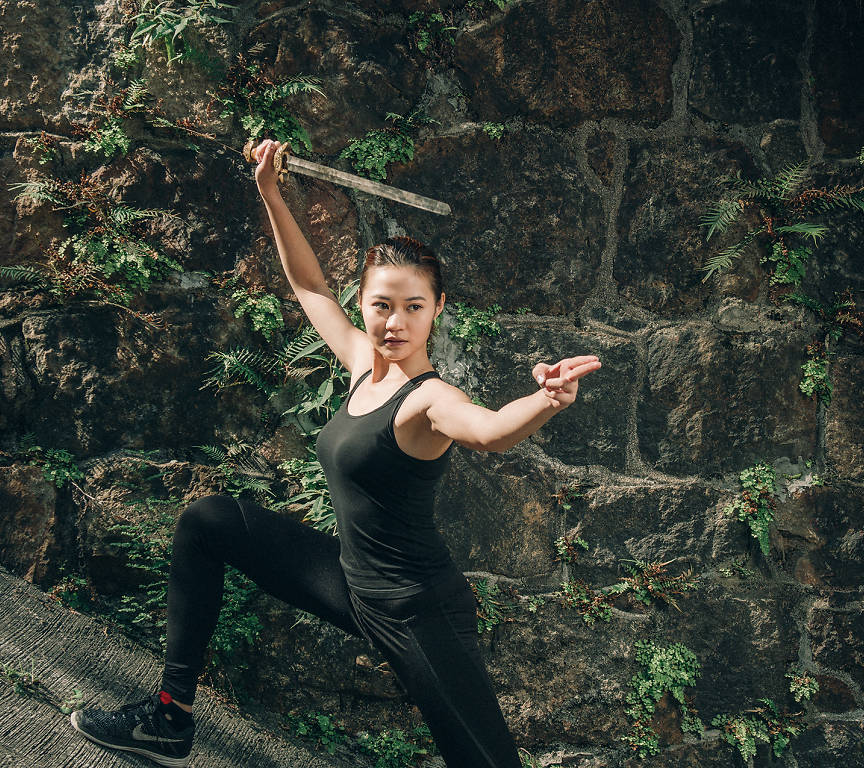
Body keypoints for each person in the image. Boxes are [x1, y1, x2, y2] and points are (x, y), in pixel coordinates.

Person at [69, 138, 602, 768]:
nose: (394, 322)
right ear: (364, 306)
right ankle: (170, 717)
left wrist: (548, 401)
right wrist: (271, 193)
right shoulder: (359, 365)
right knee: (208, 522)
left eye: (413, 307)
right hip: (350, 582)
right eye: (381, 305)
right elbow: (307, 284)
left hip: (415, 608)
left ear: (437, 312)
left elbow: (488, 430)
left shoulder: (427, 399)